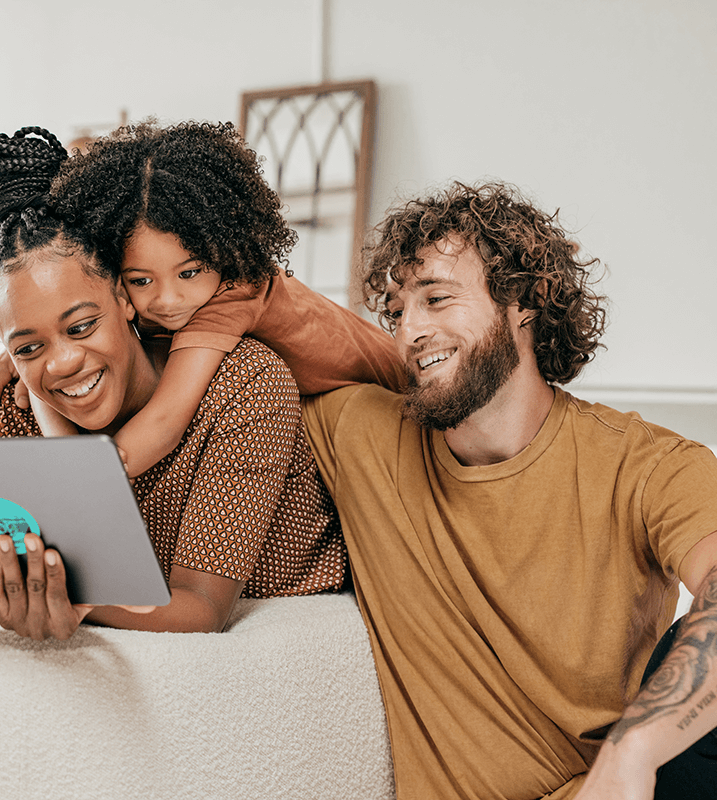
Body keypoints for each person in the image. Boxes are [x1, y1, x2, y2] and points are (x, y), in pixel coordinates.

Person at [0, 126, 399, 637]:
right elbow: (2, 563)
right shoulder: (20, 400)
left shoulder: (242, 377)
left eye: (82, 326)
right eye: (28, 346)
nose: (63, 362)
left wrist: (77, 601)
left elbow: (200, 606)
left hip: (299, 617)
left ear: (120, 298)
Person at [300, 180, 717, 798]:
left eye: (437, 299)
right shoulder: (362, 435)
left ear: (522, 301)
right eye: (395, 311)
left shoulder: (644, 464)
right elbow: (249, 309)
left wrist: (634, 752)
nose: (409, 331)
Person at [0, 120, 405, 478]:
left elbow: (162, 425)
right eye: (140, 280)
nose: (167, 300)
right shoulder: (175, 302)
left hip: (399, 389)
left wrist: (73, 483)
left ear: (223, 250)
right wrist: (22, 358)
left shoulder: (231, 297)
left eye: (189, 272)